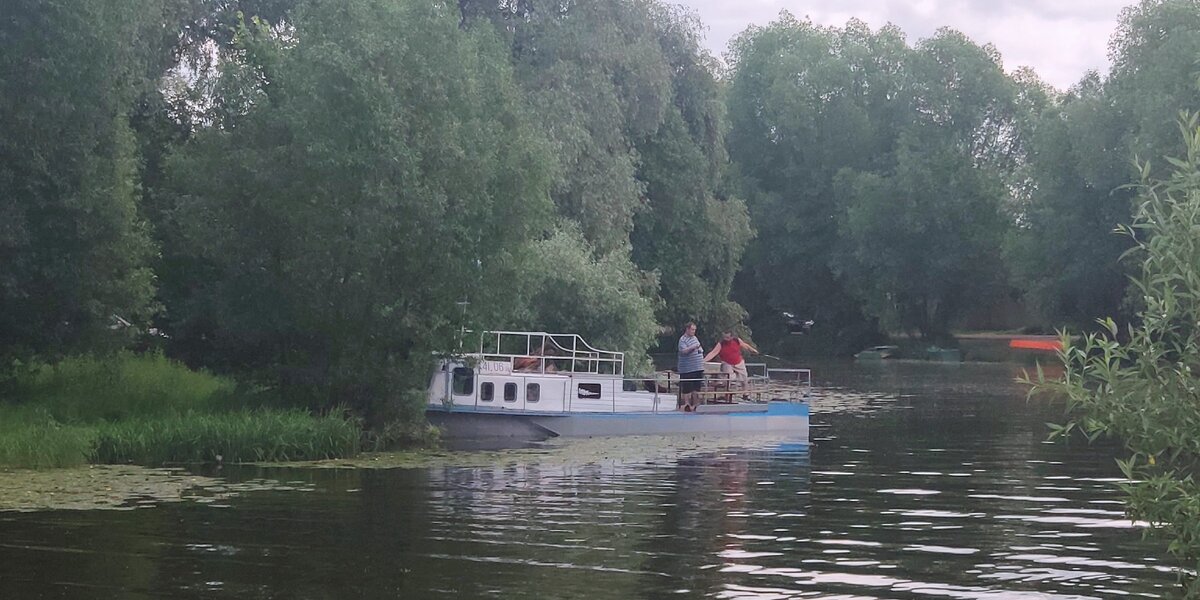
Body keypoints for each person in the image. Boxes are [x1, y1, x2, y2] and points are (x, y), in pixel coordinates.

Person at [676, 322, 704, 411]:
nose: (693, 331)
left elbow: (699, 349)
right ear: (687, 329)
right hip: (687, 368)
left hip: (697, 367)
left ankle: (696, 404)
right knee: (687, 387)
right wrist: (693, 347)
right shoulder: (682, 340)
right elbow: (683, 351)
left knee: (696, 387)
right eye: (692, 329)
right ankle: (686, 404)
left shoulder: (695, 338)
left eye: (694, 330)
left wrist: (699, 350)